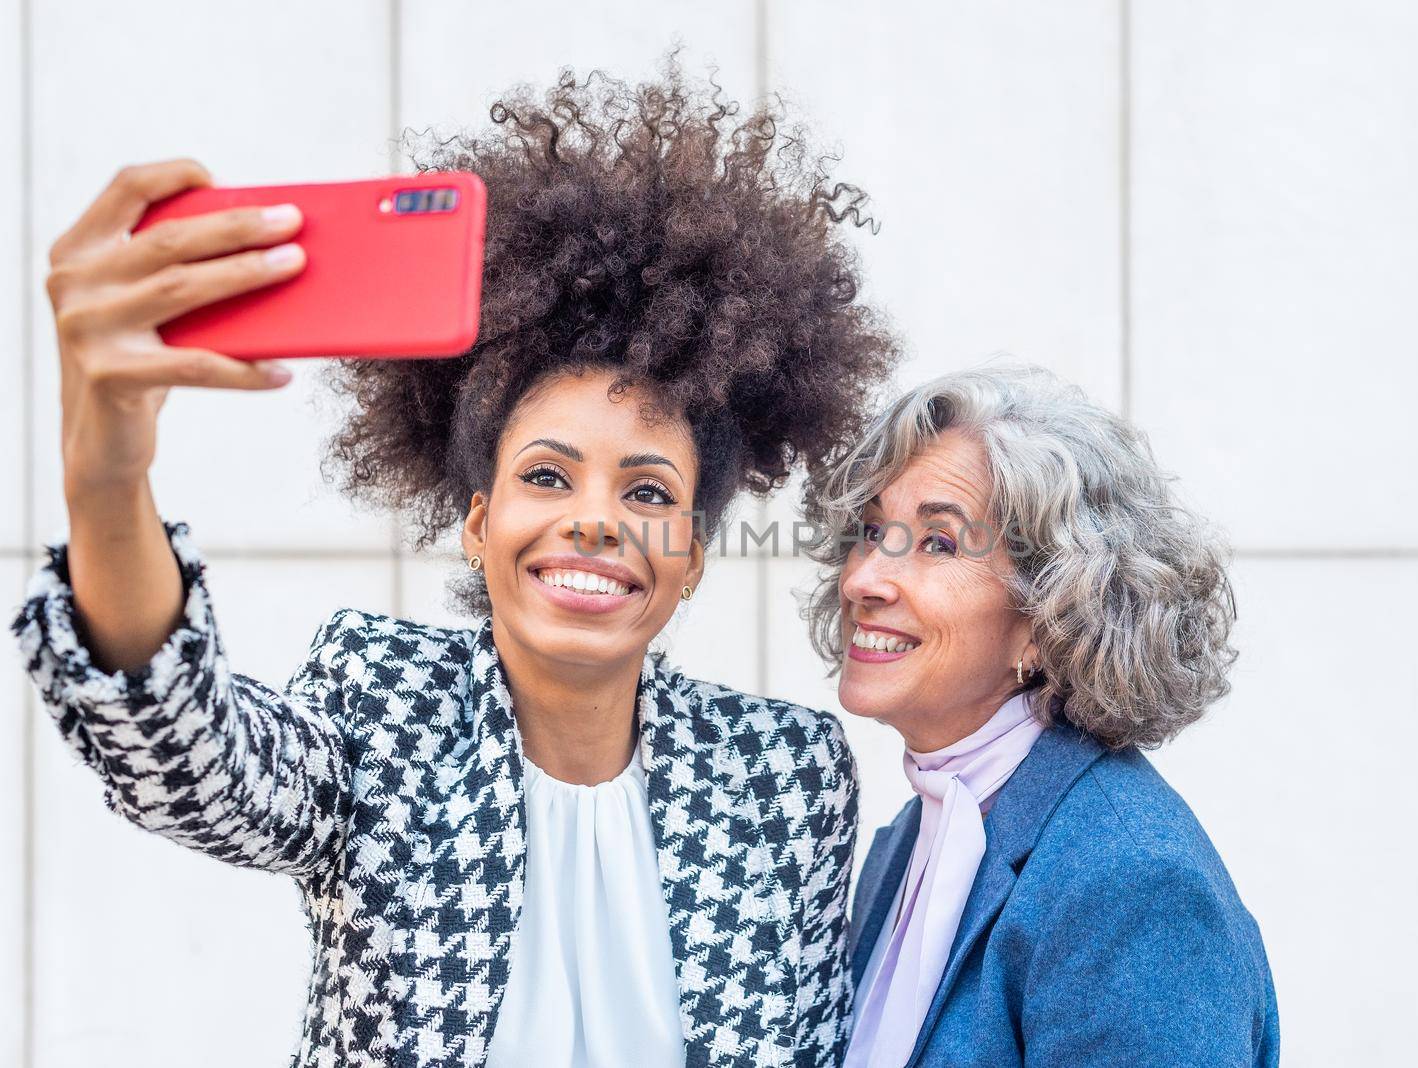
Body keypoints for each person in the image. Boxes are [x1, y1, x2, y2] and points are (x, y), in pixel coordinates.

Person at [12, 62, 897, 1068]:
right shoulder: (382, 705)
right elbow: (188, 757)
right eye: (548, 477)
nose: (596, 523)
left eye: (647, 493)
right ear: (479, 522)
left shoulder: (785, 776)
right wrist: (106, 472)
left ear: (690, 557)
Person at [800, 363, 1279, 1067]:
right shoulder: (913, 838)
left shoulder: (1132, 885)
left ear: (1049, 612)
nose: (863, 579)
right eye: (873, 532)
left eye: (938, 543)